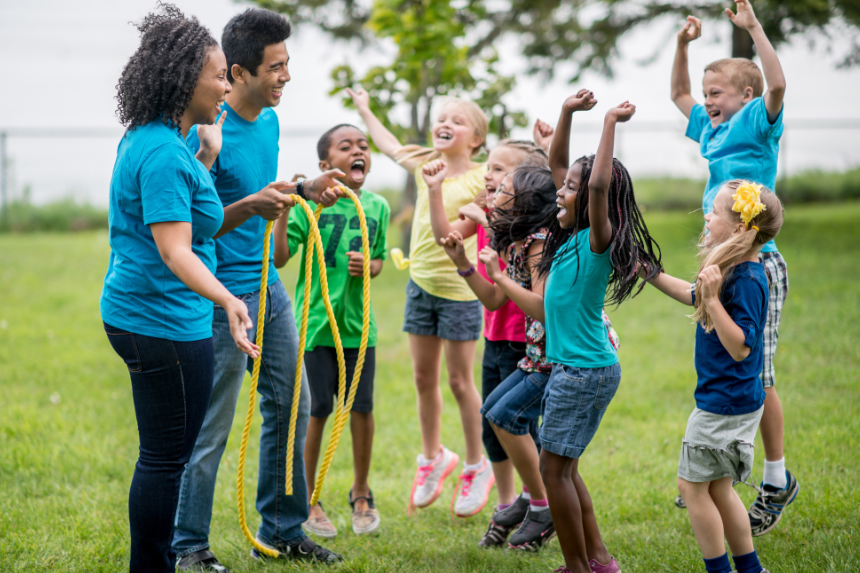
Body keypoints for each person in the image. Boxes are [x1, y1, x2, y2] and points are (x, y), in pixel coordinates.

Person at [171, 8, 345, 571]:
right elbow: (194, 223)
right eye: (276, 67)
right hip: (218, 301)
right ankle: (189, 546)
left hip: (268, 290)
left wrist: (302, 185)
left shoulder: (268, 121)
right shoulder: (206, 132)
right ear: (239, 72)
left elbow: (261, 189)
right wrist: (248, 205)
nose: (286, 76)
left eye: (288, 64)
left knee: (290, 409)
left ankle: (282, 531)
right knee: (210, 429)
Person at [101, 6, 259, 572]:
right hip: (163, 324)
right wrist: (229, 298)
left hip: (139, 312)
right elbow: (174, 250)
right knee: (166, 459)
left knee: (164, 455)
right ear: (185, 76)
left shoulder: (154, 139)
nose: (226, 86)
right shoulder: (164, 152)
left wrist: (206, 157)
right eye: (219, 75)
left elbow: (175, 212)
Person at [670, 0, 797, 531]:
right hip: (726, 257)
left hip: (757, 263)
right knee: (732, 363)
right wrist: (681, 46)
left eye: (715, 93)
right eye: (707, 95)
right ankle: (716, 471)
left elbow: (779, 86)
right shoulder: (711, 128)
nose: (706, 102)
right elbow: (677, 95)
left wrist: (752, 29)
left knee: (756, 372)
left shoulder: (758, 121)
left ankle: (774, 478)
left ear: (744, 96)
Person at [347, 87, 495, 517]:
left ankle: (474, 464)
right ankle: (433, 459)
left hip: (461, 292)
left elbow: (455, 234)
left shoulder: (483, 178)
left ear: (477, 139)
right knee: (422, 378)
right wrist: (364, 109)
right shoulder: (425, 164)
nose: (445, 123)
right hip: (420, 287)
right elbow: (389, 144)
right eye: (442, 117)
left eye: (458, 120)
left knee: (459, 382)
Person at [538, 94, 662, 573]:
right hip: (579, 370)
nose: (560, 191)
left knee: (555, 471)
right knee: (563, 470)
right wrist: (568, 113)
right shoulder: (569, 237)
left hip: (583, 373)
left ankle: (577, 566)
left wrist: (610, 122)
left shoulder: (595, 241)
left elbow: (597, 185)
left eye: (570, 188)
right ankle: (598, 562)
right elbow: (558, 166)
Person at [644, 180, 783, 573]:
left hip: (723, 406)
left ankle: (720, 569)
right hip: (731, 401)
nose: (706, 215)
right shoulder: (733, 269)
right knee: (719, 488)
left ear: (740, 229)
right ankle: (751, 569)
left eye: (716, 211)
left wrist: (710, 300)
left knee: (692, 489)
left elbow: (742, 346)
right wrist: (650, 274)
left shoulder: (749, 279)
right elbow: (693, 294)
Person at [272, 124, 390, 538]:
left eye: (363, 145)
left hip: (360, 329)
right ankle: (307, 499)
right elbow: (281, 258)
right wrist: (288, 206)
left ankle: (361, 492)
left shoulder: (376, 206)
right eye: (346, 146)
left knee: (361, 409)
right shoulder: (312, 209)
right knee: (316, 409)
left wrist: (368, 267)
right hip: (316, 327)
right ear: (326, 165)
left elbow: (377, 261)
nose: (358, 150)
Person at [443, 164, 558, 550]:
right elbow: (494, 298)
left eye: (502, 184)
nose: (491, 188)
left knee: (507, 417)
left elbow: (542, 307)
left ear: (522, 201)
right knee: (495, 414)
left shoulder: (540, 240)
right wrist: (464, 263)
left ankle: (541, 505)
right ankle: (534, 500)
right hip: (535, 354)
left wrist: (490, 236)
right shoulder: (516, 240)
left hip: (560, 356)